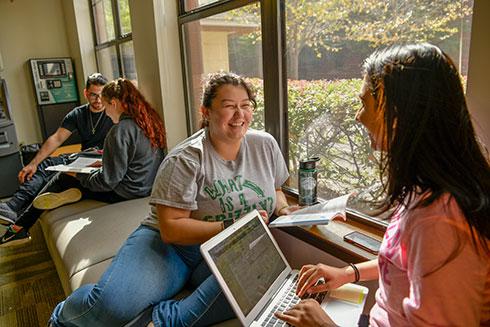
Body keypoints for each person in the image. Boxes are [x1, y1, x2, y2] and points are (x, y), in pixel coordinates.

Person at [48, 72, 299, 327]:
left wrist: (284, 208)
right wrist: (232, 225)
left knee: (262, 277)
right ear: (206, 111)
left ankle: (162, 318)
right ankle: (63, 316)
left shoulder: (265, 145)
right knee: (111, 308)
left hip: (227, 247)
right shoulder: (186, 158)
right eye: (229, 106)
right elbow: (171, 229)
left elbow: (276, 189)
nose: (240, 115)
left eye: (245, 105)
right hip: (174, 248)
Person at [275, 43, 490, 326]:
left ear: (395, 112)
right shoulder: (423, 187)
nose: (358, 116)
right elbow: (406, 263)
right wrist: (348, 272)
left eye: (365, 103)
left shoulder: (440, 220)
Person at [1, 78, 166, 247]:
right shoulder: (148, 121)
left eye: (106, 105)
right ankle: (65, 198)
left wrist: (80, 174)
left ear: (114, 103)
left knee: (62, 176)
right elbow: (131, 162)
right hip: (145, 187)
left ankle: (19, 228)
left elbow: (107, 182)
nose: (106, 113)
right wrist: (103, 165)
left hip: (126, 192)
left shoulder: (118, 131)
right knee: (69, 173)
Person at [0, 73, 112, 225]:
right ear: (86, 93)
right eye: (93, 95)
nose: (98, 101)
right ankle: (13, 207)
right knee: (45, 165)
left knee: (58, 174)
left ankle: (21, 212)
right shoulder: (78, 114)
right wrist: (33, 163)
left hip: (102, 160)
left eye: (101, 95)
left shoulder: (112, 112)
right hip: (83, 157)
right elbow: (57, 138)